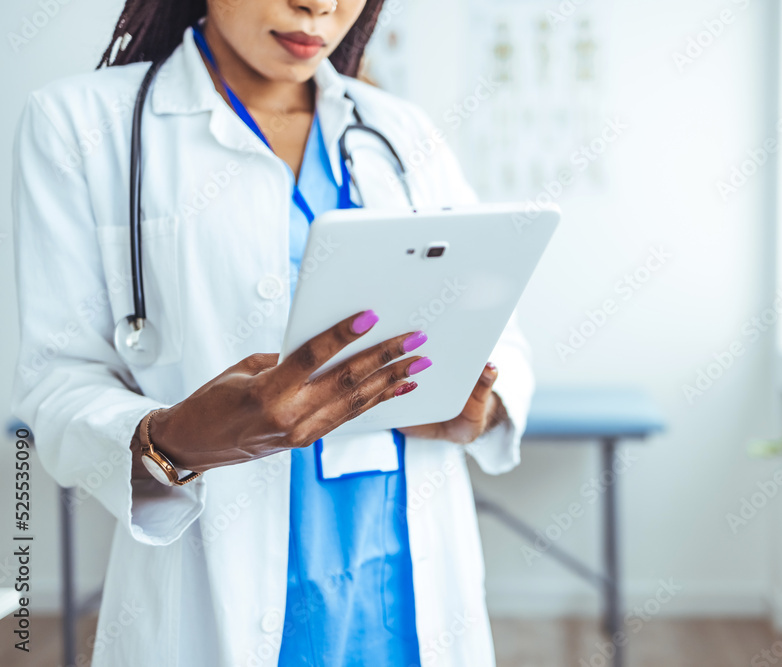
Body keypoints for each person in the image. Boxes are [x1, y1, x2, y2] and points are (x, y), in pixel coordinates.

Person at [9, 1, 534, 665]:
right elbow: (57, 380)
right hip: (211, 581)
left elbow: (502, 333)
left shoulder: (401, 131)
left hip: (401, 570)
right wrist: (176, 438)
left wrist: (481, 406)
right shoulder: (81, 125)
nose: (319, 5)